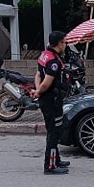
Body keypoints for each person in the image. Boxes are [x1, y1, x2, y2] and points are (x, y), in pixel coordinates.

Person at [33, 31, 71, 175]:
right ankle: (50, 166)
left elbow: (38, 75)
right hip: (52, 100)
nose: (65, 45)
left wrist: (38, 90)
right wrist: (39, 91)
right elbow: (46, 83)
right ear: (59, 44)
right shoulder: (53, 61)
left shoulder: (45, 55)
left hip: (49, 99)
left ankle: (56, 160)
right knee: (54, 132)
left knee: (54, 130)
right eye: (64, 42)